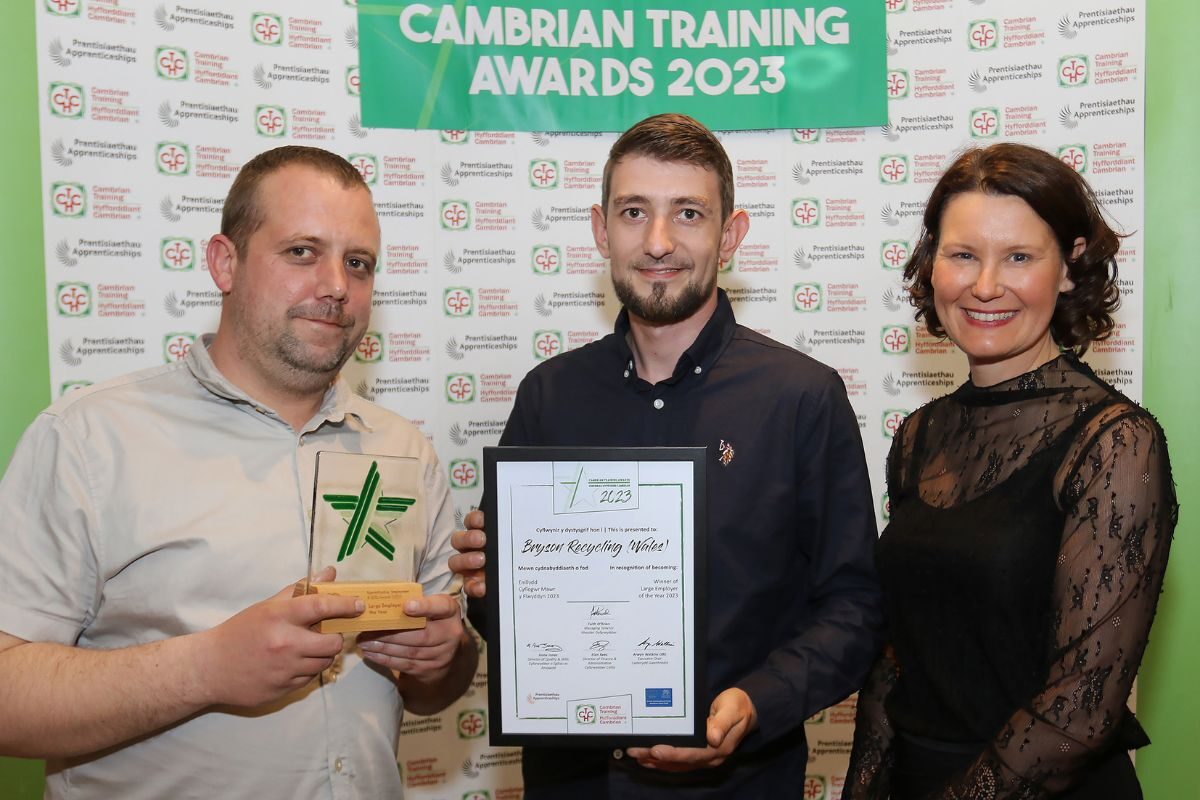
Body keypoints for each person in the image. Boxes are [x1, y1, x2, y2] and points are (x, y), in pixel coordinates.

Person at [0, 145, 477, 798]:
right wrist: (208, 668)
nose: (336, 285)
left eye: (358, 262)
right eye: (302, 252)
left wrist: (439, 658)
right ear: (225, 262)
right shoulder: (90, 439)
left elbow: (436, 687)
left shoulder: (402, 450)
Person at [450, 113, 885, 796]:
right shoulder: (550, 396)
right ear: (601, 230)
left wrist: (756, 703)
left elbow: (854, 606)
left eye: (687, 213)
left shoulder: (801, 398)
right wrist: (488, 592)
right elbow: (508, 615)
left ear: (730, 235)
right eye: (633, 212)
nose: (658, 242)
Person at [843, 143, 1177, 799]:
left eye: (1019, 256)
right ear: (931, 264)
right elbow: (896, 660)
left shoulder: (1115, 443)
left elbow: (1081, 705)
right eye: (963, 254)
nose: (986, 284)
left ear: (1069, 265)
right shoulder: (920, 436)